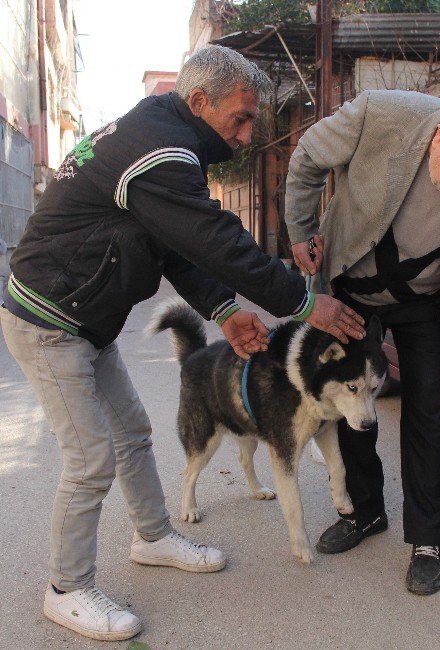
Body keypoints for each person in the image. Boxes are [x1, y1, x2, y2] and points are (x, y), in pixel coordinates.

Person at [0, 45, 365, 642]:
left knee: (134, 434)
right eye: (240, 119)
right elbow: (217, 240)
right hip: (49, 320)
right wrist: (303, 301)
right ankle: (66, 589)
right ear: (199, 102)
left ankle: (153, 538)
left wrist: (224, 312)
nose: (247, 136)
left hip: (83, 319)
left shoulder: (163, 137)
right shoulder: (162, 150)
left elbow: (173, 243)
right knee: (91, 457)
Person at [284, 90, 440, 595]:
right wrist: (299, 230)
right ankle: (364, 511)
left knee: (428, 410)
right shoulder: (382, 115)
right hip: (352, 285)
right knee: (351, 398)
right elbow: (308, 156)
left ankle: (430, 539)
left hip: (426, 301)